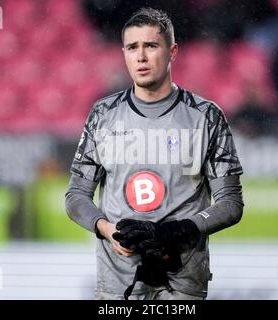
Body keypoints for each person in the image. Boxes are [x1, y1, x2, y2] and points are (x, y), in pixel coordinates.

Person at [65, 7, 244, 300]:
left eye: (151, 45)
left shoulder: (206, 116)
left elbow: (231, 203)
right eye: (132, 47)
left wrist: (176, 231)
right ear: (123, 53)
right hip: (119, 282)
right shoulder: (103, 114)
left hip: (183, 281)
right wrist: (107, 230)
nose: (141, 56)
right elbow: (75, 196)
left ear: (172, 51)